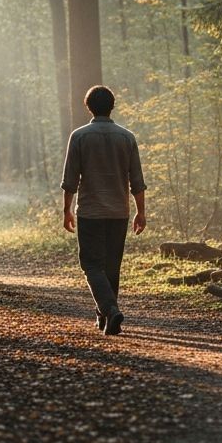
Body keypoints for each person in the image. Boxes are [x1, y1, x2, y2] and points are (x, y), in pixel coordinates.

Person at [61, 85, 147, 335]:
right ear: (112, 106)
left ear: (88, 106)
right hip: (119, 212)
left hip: (90, 212)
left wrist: (67, 209)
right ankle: (105, 314)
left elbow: (70, 179)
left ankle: (110, 310)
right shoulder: (127, 137)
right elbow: (137, 180)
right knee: (111, 266)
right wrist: (141, 212)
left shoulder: (79, 136)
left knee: (91, 264)